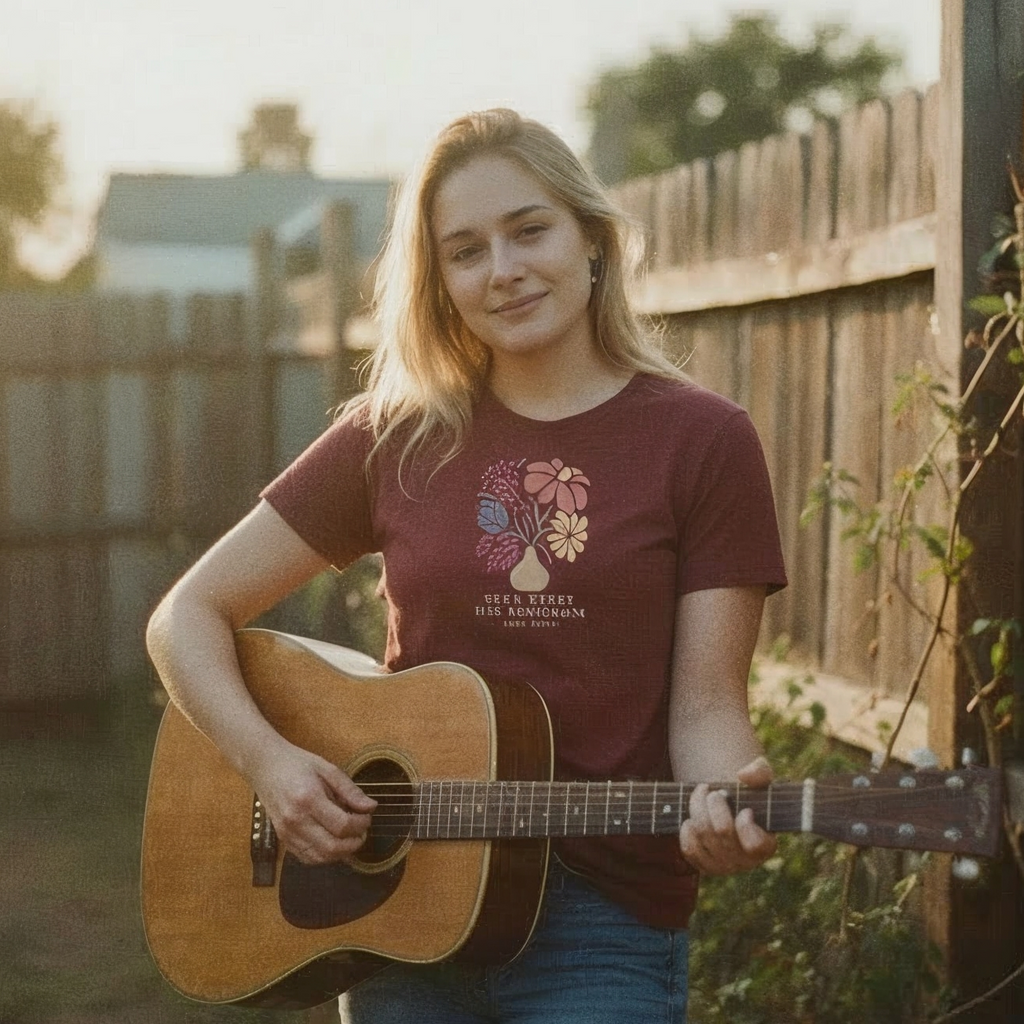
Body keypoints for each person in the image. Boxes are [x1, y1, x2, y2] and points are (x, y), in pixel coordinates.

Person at [146, 108, 788, 1023]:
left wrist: (730, 802)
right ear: (441, 282)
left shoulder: (703, 441)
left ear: (593, 240)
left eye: (530, 231)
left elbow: (709, 709)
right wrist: (272, 765)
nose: (505, 269)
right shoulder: (394, 438)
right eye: (466, 250)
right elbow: (185, 616)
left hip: (602, 921)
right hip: (403, 905)